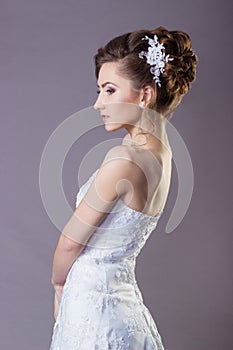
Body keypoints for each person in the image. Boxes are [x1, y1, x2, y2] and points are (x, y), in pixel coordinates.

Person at [49, 26, 197, 349]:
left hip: (93, 308)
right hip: (124, 307)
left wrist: (59, 284)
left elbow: (70, 243)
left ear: (144, 95)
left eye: (109, 90)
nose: (98, 103)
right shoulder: (162, 153)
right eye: (100, 90)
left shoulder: (124, 159)